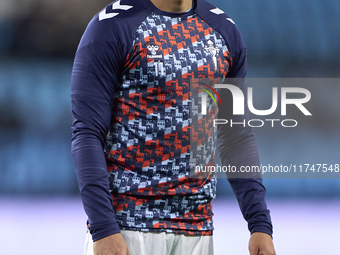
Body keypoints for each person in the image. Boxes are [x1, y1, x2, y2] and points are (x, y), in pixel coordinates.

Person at [71, 0, 276, 254]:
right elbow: (88, 133)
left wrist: (259, 224)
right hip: (128, 228)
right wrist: (103, 229)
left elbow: (236, 136)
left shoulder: (224, 30)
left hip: (197, 229)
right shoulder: (111, 27)